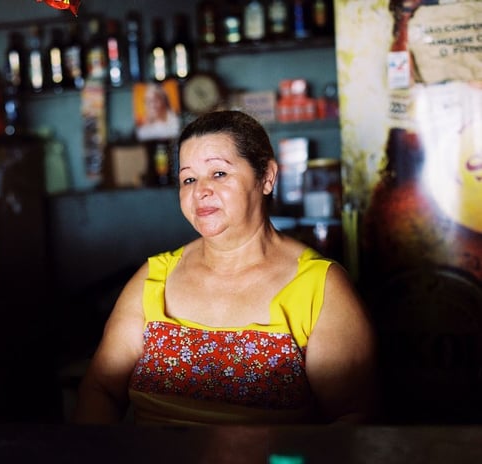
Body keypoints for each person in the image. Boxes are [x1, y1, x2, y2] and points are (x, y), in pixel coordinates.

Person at [74, 110, 377, 425]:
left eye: (219, 173)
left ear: (267, 177)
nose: (200, 191)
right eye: (189, 179)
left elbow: (352, 418)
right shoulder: (154, 278)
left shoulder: (320, 288)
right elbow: (101, 389)